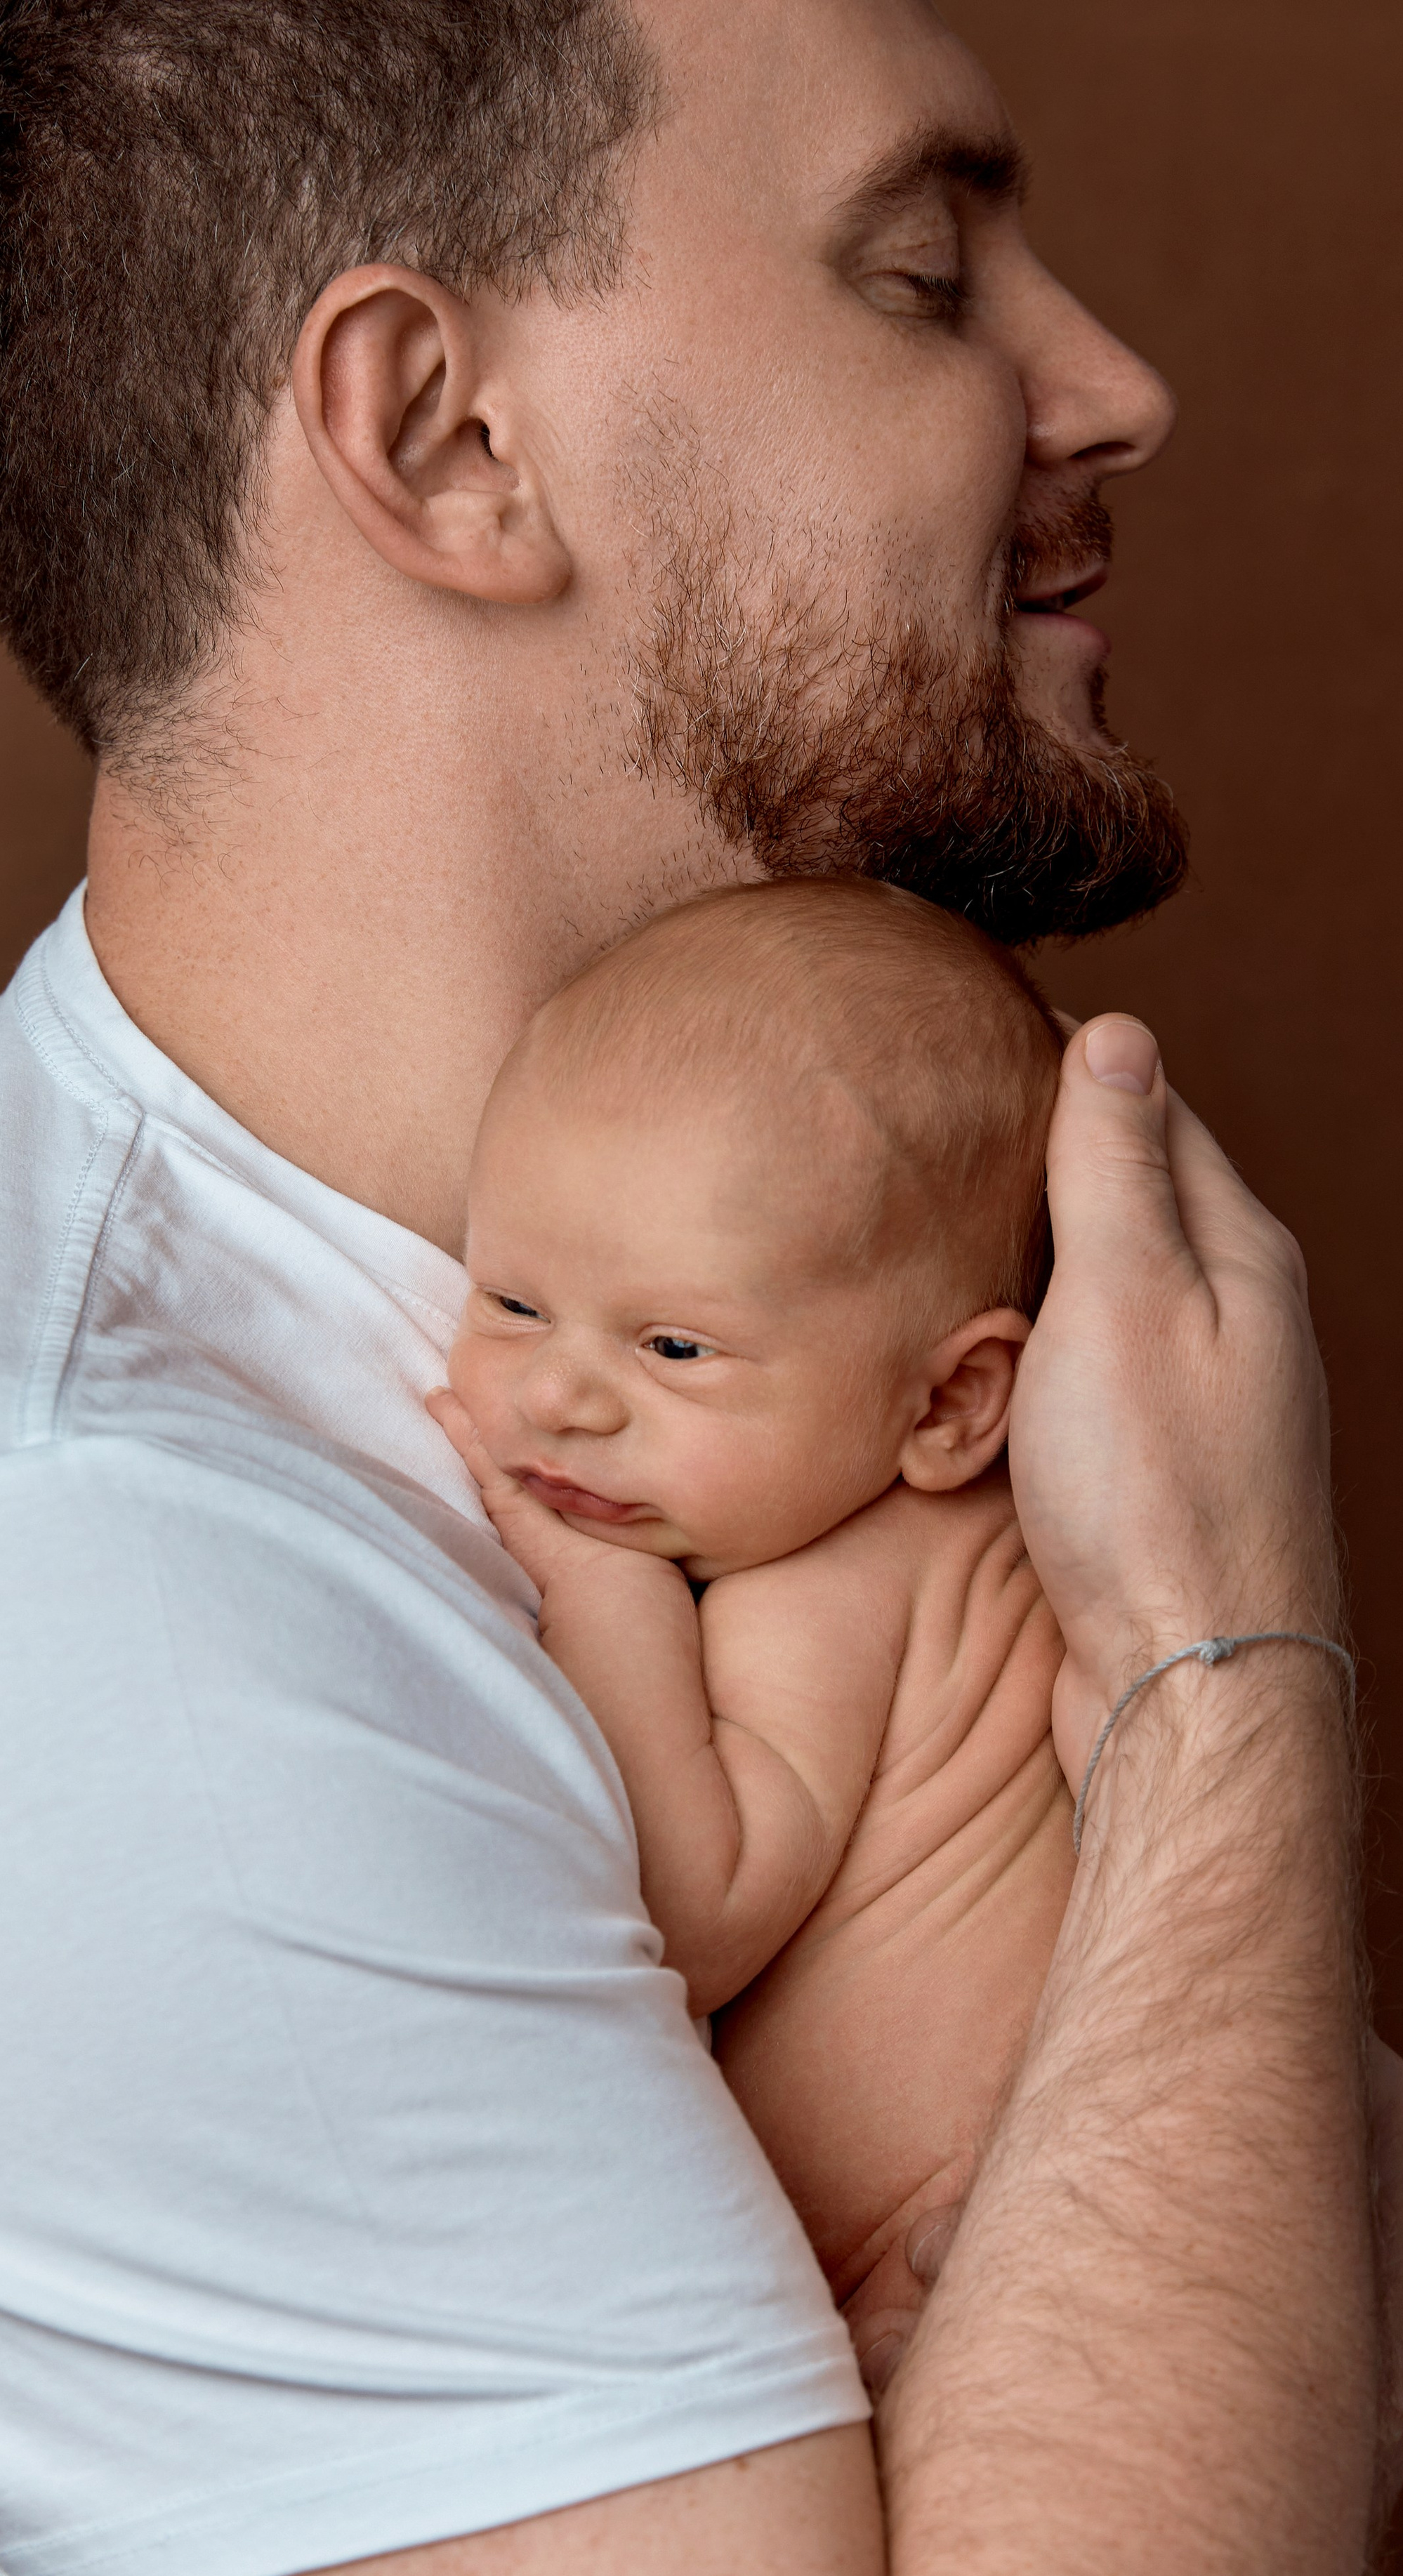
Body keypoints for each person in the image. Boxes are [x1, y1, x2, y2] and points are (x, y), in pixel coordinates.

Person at [0, 5, 1403, 2576]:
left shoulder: (855, 1273)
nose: (1113, 383)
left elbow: (1259, 2409)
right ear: (445, 440)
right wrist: (1232, 1679)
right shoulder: (78, 1599)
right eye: (924, 269)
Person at [430, 878, 1079, 2377]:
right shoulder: (947, 1539)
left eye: (673, 1346)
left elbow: (706, 1909)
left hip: (935, 2252)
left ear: (945, 1404)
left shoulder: (836, 1583)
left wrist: (602, 1587)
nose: (561, 1396)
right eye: (512, 1300)